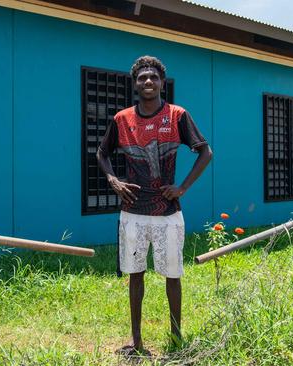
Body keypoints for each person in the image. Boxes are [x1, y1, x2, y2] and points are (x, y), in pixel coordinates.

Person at [96, 55, 212, 354]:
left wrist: (183, 187)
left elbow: (205, 153)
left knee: (172, 275)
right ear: (135, 84)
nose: (148, 81)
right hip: (132, 213)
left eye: (153, 77)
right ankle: (136, 341)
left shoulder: (177, 116)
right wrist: (113, 181)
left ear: (162, 83)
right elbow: (102, 153)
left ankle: (176, 340)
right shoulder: (122, 119)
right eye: (142, 78)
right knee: (135, 275)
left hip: (168, 213)